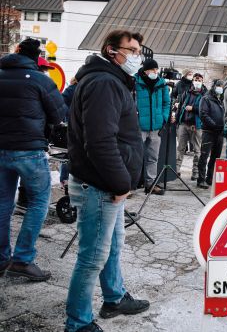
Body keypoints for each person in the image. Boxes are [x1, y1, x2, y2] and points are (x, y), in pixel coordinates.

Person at [65, 30, 149, 332]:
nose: (138, 56)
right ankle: (78, 323)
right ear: (113, 51)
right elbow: (100, 142)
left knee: (113, 245)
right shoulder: (104, 83)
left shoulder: (111, 80)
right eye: (133, 50)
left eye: (139, 50)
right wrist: (120, 183)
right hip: (100, 185)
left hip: (105, 183)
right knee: (92, 257)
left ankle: (113, 297)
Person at [0, 38, 67, 281]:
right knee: (39, 202)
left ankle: (1, 258)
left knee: (2, 204)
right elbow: (59, 114)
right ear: (35, 58)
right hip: (29, 149)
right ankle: (22, 259)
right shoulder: (40, 80)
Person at [135, 58, 170, 195]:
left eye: (156, 69)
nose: (155, 72)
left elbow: (166, 103)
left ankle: (150, 184)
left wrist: (163, 118)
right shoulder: (135, 82)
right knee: (135, 156)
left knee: (153, 157)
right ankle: (130, 185)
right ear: (145, 70)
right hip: (139, 127)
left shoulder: (161, 84)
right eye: (152, 69)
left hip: (156, 127)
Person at [176, 73, 205, 180]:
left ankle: (195, 172)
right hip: (184, 124)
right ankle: (176, 170)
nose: (197, 81)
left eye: (199, 79)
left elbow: (204, 110)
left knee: (197, 150)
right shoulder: (187, 93)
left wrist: (193, 108)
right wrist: (177, 120)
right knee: (180, 148)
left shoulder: (205, 95)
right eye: (195, 79)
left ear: (202, 81)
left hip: (196, 126)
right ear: (192, 81)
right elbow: (180, 107)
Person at [197, 79, 225, 189]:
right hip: (209, 131)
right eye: (219, 86)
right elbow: (203, 114)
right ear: (213, 86)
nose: (220, 88)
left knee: (215, 157)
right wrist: (214, 125)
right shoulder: (206, 98)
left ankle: (210, 178)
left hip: (220, 133)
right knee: (204, 155)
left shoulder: (220, 100)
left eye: (222, 86)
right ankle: (201, 179)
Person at [59, 77, 78, 189]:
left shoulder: (71, 88)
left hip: (70, 125)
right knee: (70, 153)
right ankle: (66, 179)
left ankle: (65, 180)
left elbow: (61, 103)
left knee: (68, 153)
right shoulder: (73, 89)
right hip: (73, 125)